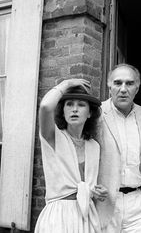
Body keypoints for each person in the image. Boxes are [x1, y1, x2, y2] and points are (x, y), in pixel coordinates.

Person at [35, 78, 108, 233]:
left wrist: (98, 192)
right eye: (69, 104)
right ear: (63, 111)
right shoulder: (53, 137)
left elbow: (87, 188)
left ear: (89, 114)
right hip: (58, 217)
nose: (74, 109)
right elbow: (46, 106)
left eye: (81, 105)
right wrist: (66, 84)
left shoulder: (94, 146)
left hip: (86, 217)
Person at [96, 64, 141, 232]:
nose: (123, 89)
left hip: (137, 200)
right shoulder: (97, 113)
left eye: (129, 83)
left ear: (137, 87)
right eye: (117, 83)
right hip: (106, 200)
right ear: (109, 85)